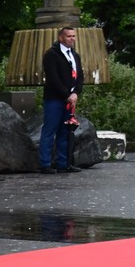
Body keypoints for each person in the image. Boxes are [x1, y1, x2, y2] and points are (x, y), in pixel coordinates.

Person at [39, 26, 83, 174]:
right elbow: (53, 79)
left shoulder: (75, 55)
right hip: (54, 99)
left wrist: (76, 92)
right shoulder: (51, 55)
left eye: (74, 36)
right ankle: (45, 163)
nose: (72, 39)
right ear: (61, 38)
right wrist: (67, 95)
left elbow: (80, 76)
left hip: (70, 100)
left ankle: (63, 163)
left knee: (66, 131)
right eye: (69, 36)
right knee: (49, 130)